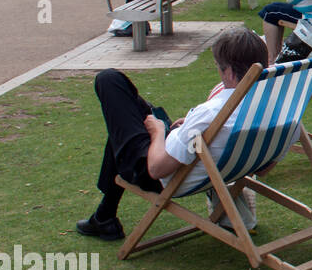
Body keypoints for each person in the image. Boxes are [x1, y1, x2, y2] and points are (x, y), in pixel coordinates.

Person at [75, 26, 269, 242]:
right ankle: (104, 216)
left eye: (219, 68)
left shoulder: (211, 114)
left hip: (163, 173)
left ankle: (105, 216)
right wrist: (193, 127)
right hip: (218, 166)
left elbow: (156, 169)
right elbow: (266, 168)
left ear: (230, 72)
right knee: (128, 114)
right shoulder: (274, 106)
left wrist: (158, 132)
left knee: (109, 80)